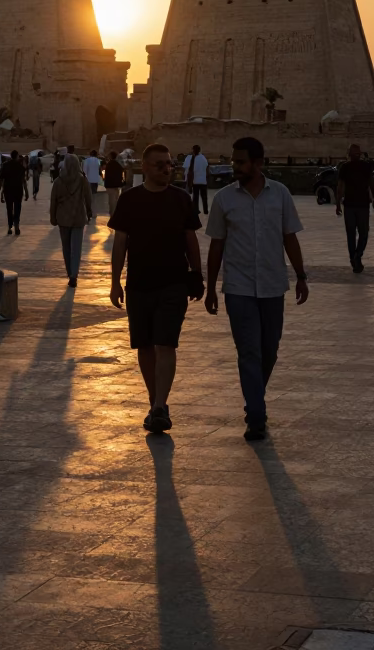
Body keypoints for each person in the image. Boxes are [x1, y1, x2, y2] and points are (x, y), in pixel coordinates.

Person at [205, 137, 309, 442]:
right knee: (248, 351)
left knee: (269, 350)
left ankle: (254, 400)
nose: (234, 166)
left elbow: (290, 237)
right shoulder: (224, 199)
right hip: (238, 287)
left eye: (240, 162)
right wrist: (210, 287)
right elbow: (216, 246)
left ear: (258, 163)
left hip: (273, 285)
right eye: (234, 161)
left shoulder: (280, 195)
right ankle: (257, 414)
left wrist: (301, 275)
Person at [109, 142, 205, 435]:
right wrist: (114, 281)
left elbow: (191, 240)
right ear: (146, 168)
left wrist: (197, 274)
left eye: (171, 164)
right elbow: (120, 243)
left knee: (166, 343)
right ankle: (155, 403)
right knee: (145, 345)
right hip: (139, 283)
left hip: (173, 283)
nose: (168, 169)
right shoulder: (130, 199)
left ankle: (160, 405)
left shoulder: (181, 199)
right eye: (161, 164)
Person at [50, 154, 93, 287]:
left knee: (66, 248)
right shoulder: (82, 180)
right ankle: (74, 274)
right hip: (78, 217)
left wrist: (53, 217)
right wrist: (89, 211)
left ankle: (70, 273)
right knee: (76, 249)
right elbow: (88, 197)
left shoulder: (58, 181)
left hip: (63, 219)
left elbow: (53, 201)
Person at [335, 143, 374, 273]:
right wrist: (338, 203)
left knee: (361, 233)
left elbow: (372, 183)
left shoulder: (366, 166)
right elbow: (341, 186)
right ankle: (355, 258)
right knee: (353, 234)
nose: (356, 154)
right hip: (351, 205)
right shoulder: (345, 168)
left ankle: (356, 256)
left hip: (362, 205)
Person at [0, 150, 28, 235]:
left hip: (8, 190)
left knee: (9, 208)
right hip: (18, 190)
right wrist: (26, 191)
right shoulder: (21, 167)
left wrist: (1, 191)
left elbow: (2, 179)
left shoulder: (5, 166)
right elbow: (23, 181)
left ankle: (10, 227)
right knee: (17, 208)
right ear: (17, 156)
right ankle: (17, 225)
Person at [184, 144, 209, 216]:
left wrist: (189, 182)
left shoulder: (193, 158)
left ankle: (196, 210)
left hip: (196, 181)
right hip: (203, 181)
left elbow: (190, 170)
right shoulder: (203, 158)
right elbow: (207, 167)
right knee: (204, 197)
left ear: (194, 150)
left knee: (196, 197)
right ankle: (206, 210)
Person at [103, 151, 125, 217]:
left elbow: (107, 175)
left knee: (111, 201)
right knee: (116, 200)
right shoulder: (118, 164)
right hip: (117, 185)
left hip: (110, 185)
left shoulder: (109, 164)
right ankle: (116, 213)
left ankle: (112, 214)